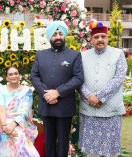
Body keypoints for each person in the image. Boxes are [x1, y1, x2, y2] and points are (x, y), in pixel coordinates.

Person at [30, 21, 84, 157]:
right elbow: (34, 76)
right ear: (49, 37)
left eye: (60, 34)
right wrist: (46, 94)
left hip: (64, 106)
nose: (58, 37)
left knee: (63, 141)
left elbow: (78, 78)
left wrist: (58, 92)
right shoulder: (40, 55)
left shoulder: (74, 55)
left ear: (64, 35)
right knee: (48, 141)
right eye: (54, 34)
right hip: (47, 105)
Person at [79, 21, 127, 157]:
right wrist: (89, 97)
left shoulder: (118, 54)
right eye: (96, 37)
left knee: (111, 151)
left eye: (103, 36)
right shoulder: (82, 55)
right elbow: (78, 79)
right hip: (89, 110)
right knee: (90, 152)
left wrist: (99, 97)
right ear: (91, 39)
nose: (100, 39)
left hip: (110, 110)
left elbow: (119, 78)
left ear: (107, 37)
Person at [0, 66, 40, 157]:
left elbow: (25, 110)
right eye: (10, 74)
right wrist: (5, 127)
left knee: (29, 152)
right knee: (6, 147)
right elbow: (1, 109)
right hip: (4, 123)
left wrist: (13, 124)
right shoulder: (1, 90)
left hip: (21, 122)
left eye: (16, 73)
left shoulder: (26, 91)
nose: (14, 76)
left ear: (19, 76)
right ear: (6, 77)